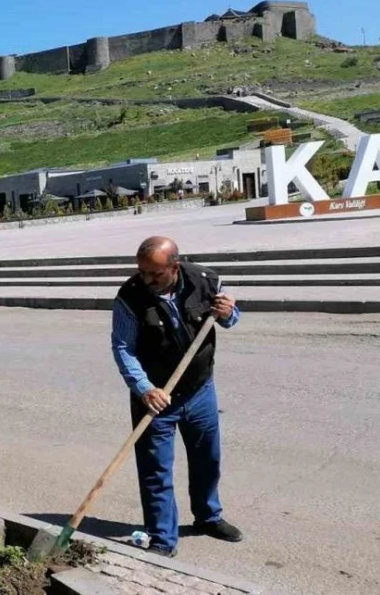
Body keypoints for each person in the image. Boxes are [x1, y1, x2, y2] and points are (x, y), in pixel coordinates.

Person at [110, 236, 243, 558]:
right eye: (142, 272)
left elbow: (230, 318)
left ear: (175, 266)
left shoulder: (205, 281)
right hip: (155, 399)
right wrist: (145, 388)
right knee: (156, 471)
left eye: (155, 274)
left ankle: (208, 517)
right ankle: (162, 539)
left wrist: (229, 314)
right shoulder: (130, 297)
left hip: (199, 390)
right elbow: (123, 348)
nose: (147, 280)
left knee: (206, 459)